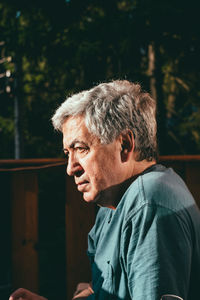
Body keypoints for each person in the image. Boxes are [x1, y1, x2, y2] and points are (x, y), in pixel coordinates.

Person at [9, 80, 200, 300]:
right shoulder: (112, 203)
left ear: (125, 145)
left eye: (81, 149)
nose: (70, 168)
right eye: (66, 153)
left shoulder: (150, 203)